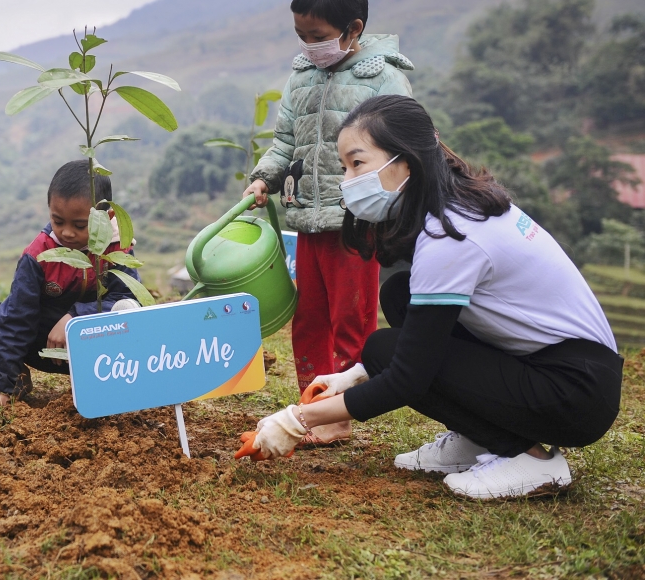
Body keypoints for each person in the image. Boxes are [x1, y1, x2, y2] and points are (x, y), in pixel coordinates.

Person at [250, 95, 623, 499]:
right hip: (558, 368)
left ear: (405, 162)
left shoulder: (450, 235)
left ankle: (530, 459)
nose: (346, 180)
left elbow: (407, 378)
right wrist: (350, 376)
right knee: (399, 298)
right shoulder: (455, 206)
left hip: (574, 391)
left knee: (387, 353)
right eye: (344, 167)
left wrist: (296, 420)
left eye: (357, 163)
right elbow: (423, 337)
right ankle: (480, 439)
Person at [244, 0, 414, 444]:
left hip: (355, 223)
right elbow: (284, 143)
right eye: (300, 35)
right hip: (307, 218)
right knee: (310, 317)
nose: (307, 45)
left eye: (316, 34)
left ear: (353, 28)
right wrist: (264, 179)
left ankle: (339, 413)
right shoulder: (301, 76)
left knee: (350, 318)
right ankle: (310, 403)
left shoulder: (383, 80)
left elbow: (406, 151)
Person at [0, 160, 141, 413]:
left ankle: (112, 383)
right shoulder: (39, 254)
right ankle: (14, 382)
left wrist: (75, 317)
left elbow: (126, 300)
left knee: (127, 312)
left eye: (79, 225)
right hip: (47, 345)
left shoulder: (117, 249)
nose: (67, 233)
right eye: (58, 221)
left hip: (92, 349)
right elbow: (16, 318)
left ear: (107, 217)